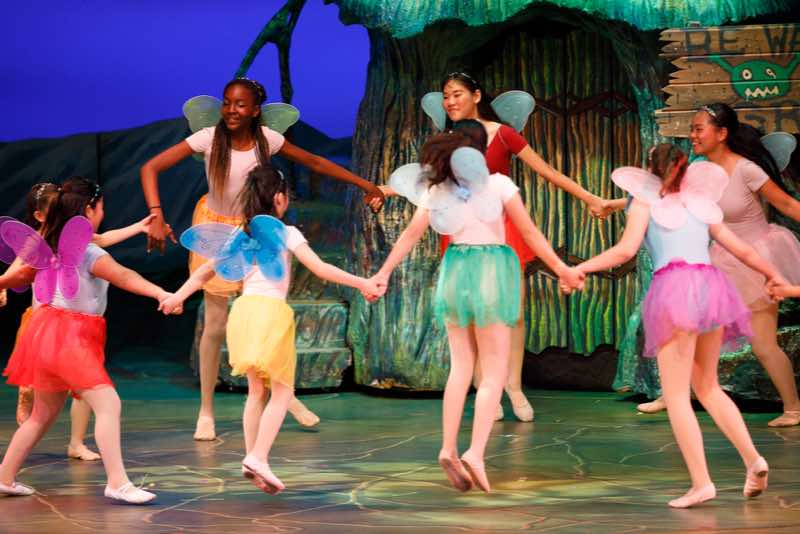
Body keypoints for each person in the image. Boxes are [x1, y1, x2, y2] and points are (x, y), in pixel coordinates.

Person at [141, 78, 383, 439]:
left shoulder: (267, 140)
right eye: (227, 102)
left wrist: (365, 185)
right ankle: (206, 411)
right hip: (216, 228)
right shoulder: (209, 138)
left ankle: (284, 394)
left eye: (240, 105)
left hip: (253, 228)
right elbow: (150, 167)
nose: (231, 110)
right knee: (216, 324)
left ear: (255, 110)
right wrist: (156, 215)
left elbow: (315, 161)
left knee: (259, 318)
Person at [373, 130, 584, 492]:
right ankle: (475, 453)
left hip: (457, 270)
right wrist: (561, 268)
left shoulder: (438, 190)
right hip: (491, 271)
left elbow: (409, 236)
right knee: (494, 370)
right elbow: (530, 233)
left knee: (461, 367)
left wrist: (382, 273)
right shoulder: (498, 184)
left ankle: (447, 447)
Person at [575, 145, 778, 507]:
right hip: (710, 287)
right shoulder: (701, 203)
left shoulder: (644, 202)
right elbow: (742, 250)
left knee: (677, 396)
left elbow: (624, 251)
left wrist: (580, 267)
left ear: (650, 170)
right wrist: (772, 275)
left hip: (674, 289)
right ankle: (753, 460)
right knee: (709, 387)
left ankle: (702, 483)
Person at [159, 165, 381, 493]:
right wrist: (362, 282)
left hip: (243, 313)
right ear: (279, 198)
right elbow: (320, 268)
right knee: (282, 392)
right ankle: (259, 457)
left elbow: (204, 272)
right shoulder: (287, 233)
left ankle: (252, 458)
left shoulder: (240, 234)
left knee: (256, 391)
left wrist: (177, 296)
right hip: (271, 314)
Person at [0, 177, 175, 503]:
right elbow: (123, 275)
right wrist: (160, 293)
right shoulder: (87, 251)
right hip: (69, 337)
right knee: (109, 404)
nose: (103, 213)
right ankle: (118, 482)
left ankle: (4, 477)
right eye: (101, 207)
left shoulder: (49, 241)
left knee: (42, 415)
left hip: (43, 334)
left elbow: (19, 274)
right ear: (90, 210)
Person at [691, 103, 800, 427]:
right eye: (692, 129)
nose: (693, 135)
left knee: (763, 345)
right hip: (721, 260)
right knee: (690, 331)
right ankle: (673, 395)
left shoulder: (746, 170)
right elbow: (670, 198)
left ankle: (793, 408)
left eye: (699, 129)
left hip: (756, 260)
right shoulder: (698, 170)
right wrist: (618, 203)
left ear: (721, 134)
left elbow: (786, 204)